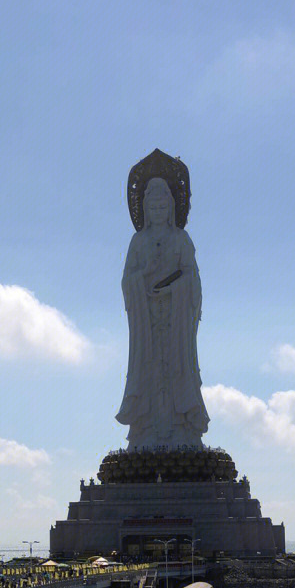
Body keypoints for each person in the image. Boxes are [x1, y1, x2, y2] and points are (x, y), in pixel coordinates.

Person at [116, 175, 209, 449]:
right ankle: (144, 429)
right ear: (145, 210)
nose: (157, 212)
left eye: (162, 207)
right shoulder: (138, 241)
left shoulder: (181, 238)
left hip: (175, 321)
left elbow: (193, 278)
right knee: (146, 368)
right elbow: (127, 280)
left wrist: (172, 289)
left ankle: (183, 427)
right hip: (146, 320)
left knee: (179, 367)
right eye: (152, 208)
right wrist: (142, 277)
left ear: (170, 208)